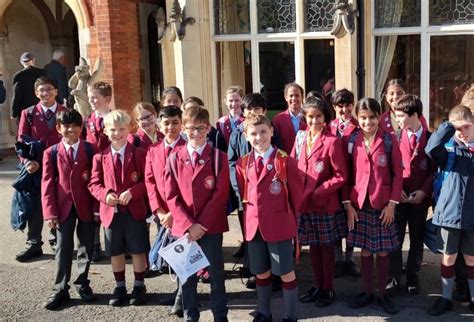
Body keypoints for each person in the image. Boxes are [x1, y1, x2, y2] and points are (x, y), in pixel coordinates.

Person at [236, 113, 303, 322]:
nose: (259, 137)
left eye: (263, 131)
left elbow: (296, 196)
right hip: (255, 227)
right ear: (246, 136)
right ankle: (264, 312)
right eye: (253, 133)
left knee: (285, 273)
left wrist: (291, 224)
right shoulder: (242, 163)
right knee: (261, 273)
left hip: (279, 226)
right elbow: (244, 193)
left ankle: (290, 315)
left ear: (272, 131)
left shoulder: (284, 161)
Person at [165, 105, 229, 322]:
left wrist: (200, 225)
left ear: (208, 128)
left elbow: (220, 195)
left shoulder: (219, 157)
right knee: (188, 276)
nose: (196, 133)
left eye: (201, 128)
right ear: (184, 129)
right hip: (185, 228)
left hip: (209, 227)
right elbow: (171, 196)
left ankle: (220, 316)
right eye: (191, 128)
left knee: (216, 275)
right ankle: (190, 315)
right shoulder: (174, 158)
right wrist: (188, 225)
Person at [344, 98, 403, 315]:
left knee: (384, 251)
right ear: (357, 118)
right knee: (366, 249)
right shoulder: (352, 140)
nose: (368, 121)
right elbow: (347, 175)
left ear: (379, 116)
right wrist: (348, 205)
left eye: (372, 117)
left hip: (383, 204)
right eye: (363, 117)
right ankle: (367, 291)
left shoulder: (388, 140)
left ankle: (382, 293)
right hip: (360, 205)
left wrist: (392, 205)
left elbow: (398, 176)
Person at [88, 110, 149, 306]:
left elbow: (148, 181)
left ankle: (139, 285)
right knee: (115, 251)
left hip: (134, 210)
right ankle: (120, 286)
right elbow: (93, 184)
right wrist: (105, 194)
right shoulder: (100, 157)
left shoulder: (139, 154)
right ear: (105, 131)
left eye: (121, 129)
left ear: (129, 129)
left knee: (138, 249)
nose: (117, 133)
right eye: (112, 129)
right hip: (111, 213)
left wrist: (133, 191)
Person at [291, 96, 348, 307]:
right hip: (305, 204)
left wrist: (320, 191)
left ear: (325, 118)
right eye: (310, 116)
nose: (314, 121)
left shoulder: (332, 142)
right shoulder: (300, 139)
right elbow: (293, 167)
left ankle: (328, 288)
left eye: (319, 117)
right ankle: (318, 285)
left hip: (324, 204)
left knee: (326, 248)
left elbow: (341, 175)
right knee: (313, 247)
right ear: (305, 118)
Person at [41, 109, 98, 310]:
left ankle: (82, 283)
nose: (71, 130)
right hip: (62, 208)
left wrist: (98, 208)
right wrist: (50, 212)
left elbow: (97, 180)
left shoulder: (91, 150)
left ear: (81, 128)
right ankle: (60, 288)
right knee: (62, 248)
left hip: (87, 206)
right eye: (66, 126)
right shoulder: (52, 152)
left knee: (86, 247)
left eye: (75, 126)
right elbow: (47, 183)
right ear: (58, 128)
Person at [425, 105, 474, 316]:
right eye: (459, 128)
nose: (463, 132)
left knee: (471, 258)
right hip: (449, 214)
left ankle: (473, 298)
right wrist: (449, 126)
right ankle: (445, 299)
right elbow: (430, 148)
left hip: (472, 215)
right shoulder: (448, 149)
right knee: (448, 256)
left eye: (467, 127)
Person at [15, 77, 67, 262]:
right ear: (36, 93)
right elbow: (21, 141)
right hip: (36, 167)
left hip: (60, 165)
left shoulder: (66, 112)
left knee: (58, 202)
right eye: (41, 90)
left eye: (49, 89)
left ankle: (56, 239)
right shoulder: (28, 113)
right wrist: (27, 161)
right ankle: (34, 243)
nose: (45, 93)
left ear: (56, 91)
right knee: (35, 204)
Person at [387, 95, 434, 295]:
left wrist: (424, 191)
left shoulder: (431, 138)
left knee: (416, 237)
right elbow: (391, 169)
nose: (397, 120)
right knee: (395, 238)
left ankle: (413, 276)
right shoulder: (395, 137)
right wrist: (398, 192)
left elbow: (434, 170)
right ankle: (394, 277)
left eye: (400, 116)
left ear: (414, 115)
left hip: (420, 199)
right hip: (400, 197)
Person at [144, 105, 186, 317]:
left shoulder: (187, 148)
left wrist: (173, 213)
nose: (170, 127)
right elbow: (150, 182)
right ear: (159, 124)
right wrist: (159, 211)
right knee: (171, 254)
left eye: (175, 122)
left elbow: (187, 188)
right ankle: (178, 290)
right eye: (166, 123)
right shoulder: (153, 151)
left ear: (182, 123)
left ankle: (183, 295)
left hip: (182, 214)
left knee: (183, 254)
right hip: (163, 214)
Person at [327, 88, 360, 278]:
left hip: (352, 180)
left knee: (350, 221)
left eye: (348, 105)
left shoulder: (358, 127)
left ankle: (349, 258)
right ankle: (338, 258)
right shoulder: (328, 126)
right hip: (333, 181)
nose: (344, 110)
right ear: (334, 106)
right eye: (340, 106)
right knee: (335, 220)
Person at [85, 81, 112, 262]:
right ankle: (95, 245)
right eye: (90, 97)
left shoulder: (114, 118)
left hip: (110, 167)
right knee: (93, 207)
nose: (92, 101)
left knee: (109, 204)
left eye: (95, 97)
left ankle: (115, 244)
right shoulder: (88, 119)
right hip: (93, 169)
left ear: (107, 99)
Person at [272, 83, 307, 154]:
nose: (294, 98)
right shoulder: (278, 119)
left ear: (302, 97)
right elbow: (274, 144)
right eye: (291, 96)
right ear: (286, 97)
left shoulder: (309, 118)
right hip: (285, 160)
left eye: (297, 95)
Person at [10, 52, 44, 122]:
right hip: (41, 107)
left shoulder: (19, 75)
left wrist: (13, 113)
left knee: (25, 130)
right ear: (33, 60)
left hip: (25, 109)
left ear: (21, 62)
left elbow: (17, 95)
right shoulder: (42, 73)